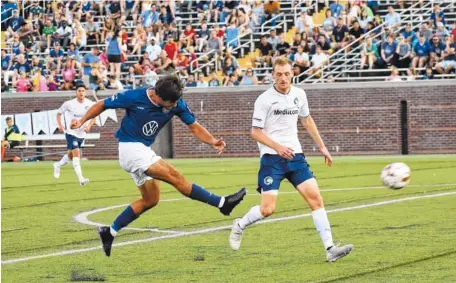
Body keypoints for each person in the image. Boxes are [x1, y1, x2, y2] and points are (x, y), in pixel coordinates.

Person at [71, 75, 247, 257]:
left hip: (141, 151)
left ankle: (110, 232)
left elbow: (194, 126)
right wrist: (82, 121)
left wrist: (212, 141)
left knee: (150, 200)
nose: (175, 105)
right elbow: (102, 105)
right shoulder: (134, 97)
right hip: (130, 149)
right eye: (171, 102)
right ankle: (222, 203)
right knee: (175, 176)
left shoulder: (176, 103)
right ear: (158, 97)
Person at [228, 57, 353, 262]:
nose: (283, 78)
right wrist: (278, 147)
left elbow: (306, 119)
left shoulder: (299, 94)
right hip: (272, 159)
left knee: (316, 199)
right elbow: (255, 132)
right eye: (279, 74)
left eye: (286, 73)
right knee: (268, 209)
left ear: (292, 73)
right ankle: (240, 225)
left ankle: (330, 249)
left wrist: (322, 147)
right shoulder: (264, 99)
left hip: (296, 156)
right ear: (272, 75)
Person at [53, 84, 96, 186]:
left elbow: (94, 116)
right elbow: (58, 113)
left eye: (83, 91)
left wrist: (89, 126)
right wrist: (60, 125)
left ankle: (57, 165)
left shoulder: (90, 104)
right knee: (77, 154)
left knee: (70, 155)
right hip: (71, 133)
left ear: (85, 92)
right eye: (79, 91)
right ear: (76, 92)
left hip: (82, 134)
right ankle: (81, 179)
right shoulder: (69, 104)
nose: (81, 93)